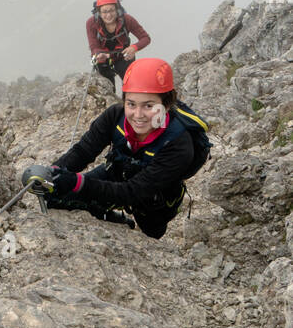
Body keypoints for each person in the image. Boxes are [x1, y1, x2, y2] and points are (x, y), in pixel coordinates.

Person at [21, 58, 211, 239]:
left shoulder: (178, 144)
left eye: (149, 105)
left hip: (155, 197)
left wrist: (76, 182)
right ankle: (112, 219)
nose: (138, 115)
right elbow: (84, 151)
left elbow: (132, 193)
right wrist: (53, 173)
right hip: (118, 171)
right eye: (131, 104)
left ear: (167, 104)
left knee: (151, 234)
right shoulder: (115, 116)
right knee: (58, 198)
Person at [87, 0, 151, 91]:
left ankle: (127, 103)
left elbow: (145, 38)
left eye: (112, 10)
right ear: (98, 12)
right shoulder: (92, 23)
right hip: (102, 58)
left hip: (124, 56)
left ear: (117, 9)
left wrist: (134, 48)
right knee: (107, 89)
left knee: (130, 86)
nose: (108, 15)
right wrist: (98, 54)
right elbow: (93, 45)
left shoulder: (127, 20)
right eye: (104, 12)